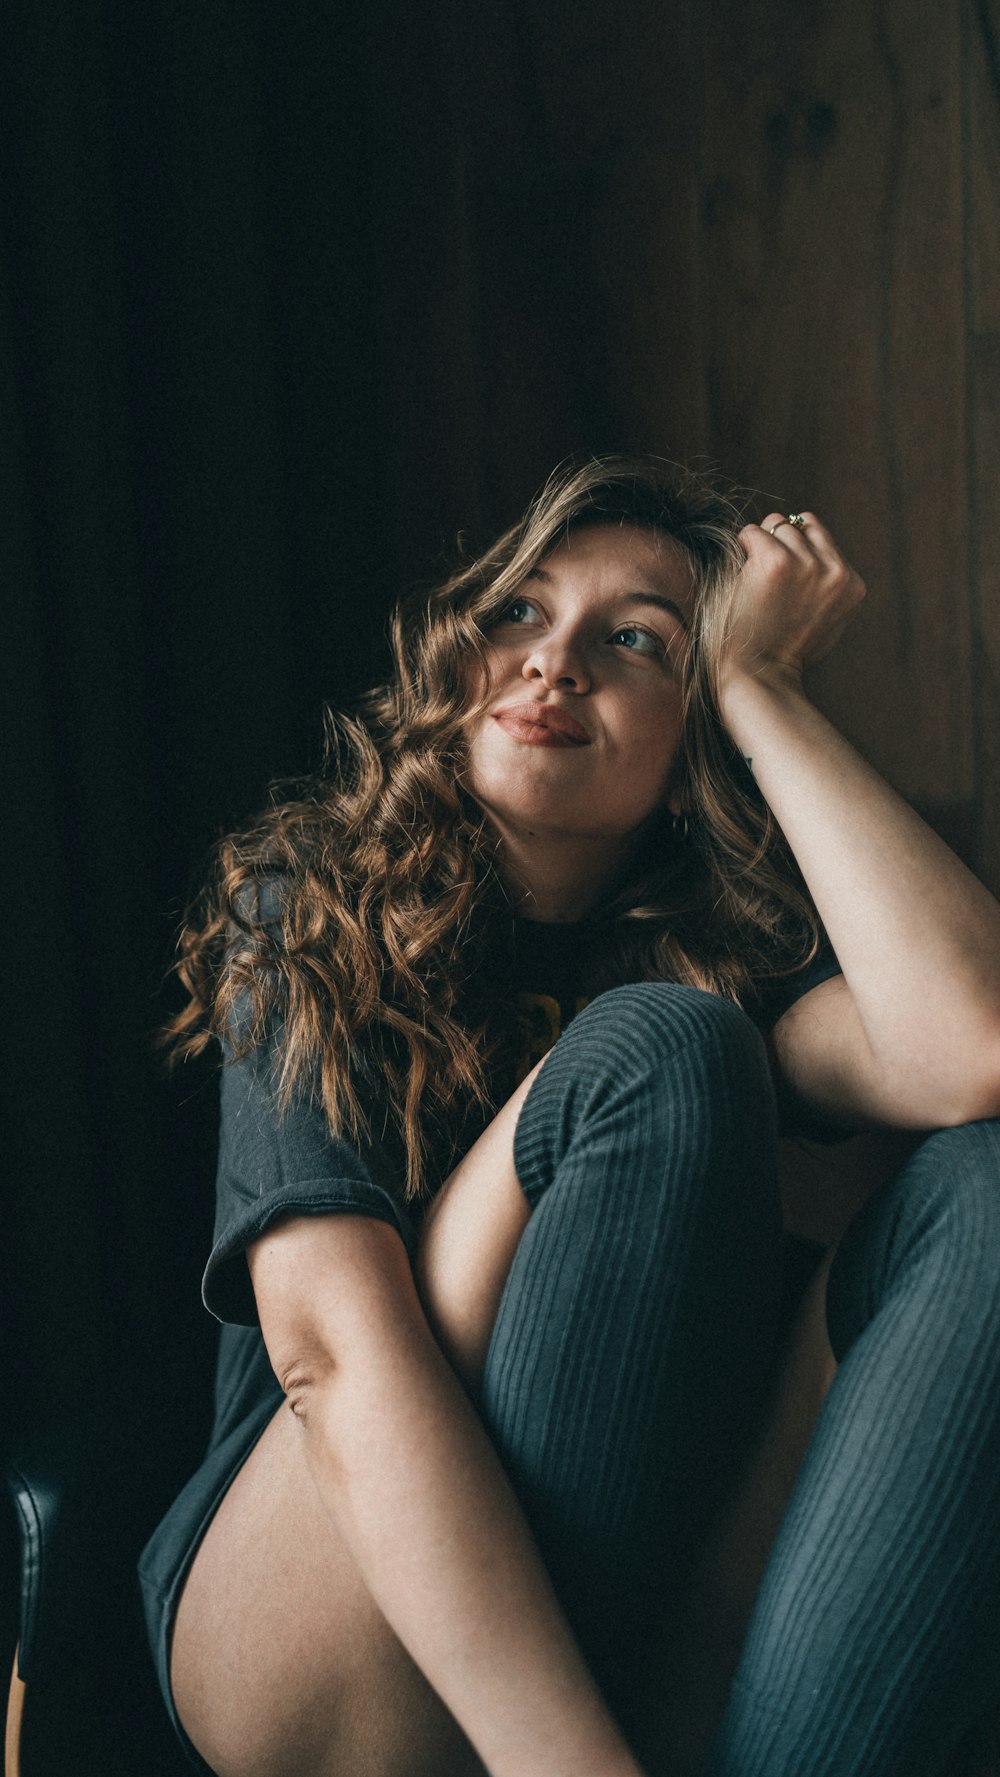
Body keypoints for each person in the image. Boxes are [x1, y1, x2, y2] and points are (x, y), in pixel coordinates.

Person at [139, 456, 1000, 1777]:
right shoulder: (309, 903)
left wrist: (765, 688)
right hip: (312, 1607)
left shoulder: (721, 954)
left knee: (982, 1188)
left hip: (636, 1622)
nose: (554, 665)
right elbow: (329, 1355)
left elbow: (973, 1047)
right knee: (662, 1047)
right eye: (519, 614)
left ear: (693, 727)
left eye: (637, 640)